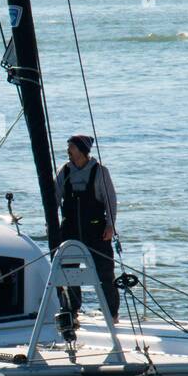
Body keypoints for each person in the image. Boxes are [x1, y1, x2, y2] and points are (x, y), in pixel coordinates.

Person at [55, 134, 120, 324]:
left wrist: (111, 226)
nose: (68, 151)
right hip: (70, 229)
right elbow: (54, 199)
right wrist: (51, 226)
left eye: (72, 148)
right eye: (68, 147)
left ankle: (112, 313)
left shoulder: (100, 171)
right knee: (68, 271)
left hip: (96, 230)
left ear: (82, 150)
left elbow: (111, 201)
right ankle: (72, 311)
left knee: (105, 273)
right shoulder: (64, 171)